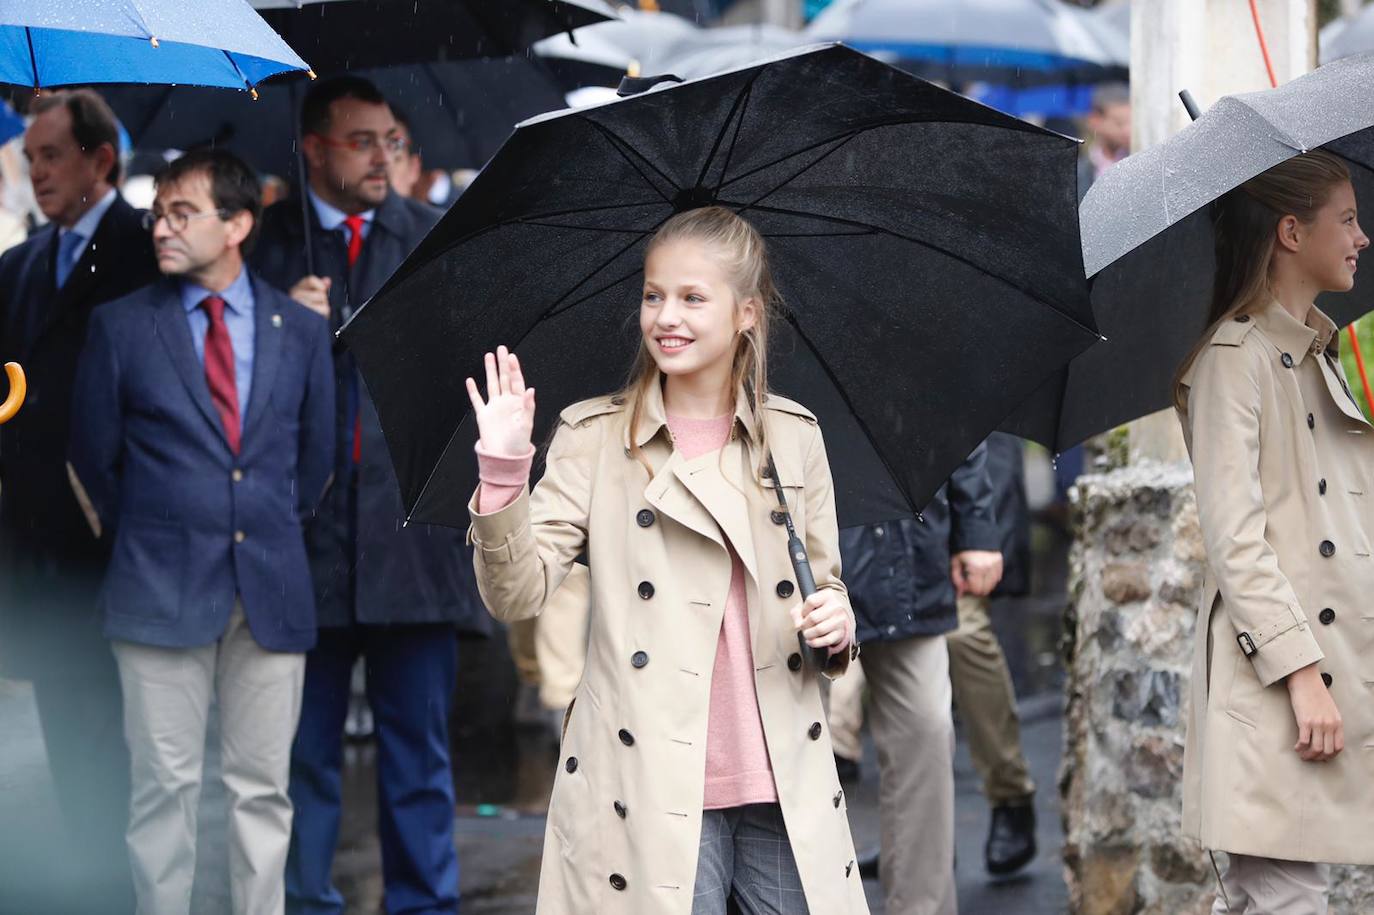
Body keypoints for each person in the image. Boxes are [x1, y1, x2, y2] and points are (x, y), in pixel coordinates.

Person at [465, 206, 868, 913]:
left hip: (783, 772)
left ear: (746, 312)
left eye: (691, 297)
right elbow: (518, 595)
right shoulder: (593, 436)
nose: (665, 317)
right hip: (649, 779)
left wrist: (837, 619)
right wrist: (503, 474)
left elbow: (824, 581)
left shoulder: (793, 435)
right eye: (653, 294)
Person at [67, 148, 335, 915]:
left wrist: (257, 527)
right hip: (156, 586)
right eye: (158, 212)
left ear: (238, 224)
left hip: (271, 590)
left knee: (262, 791)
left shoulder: (299, 328)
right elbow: (92, 458)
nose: (161, 228)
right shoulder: (122, 326)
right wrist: (163, 530)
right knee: (163, 791)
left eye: (182, 212)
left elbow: (316, 462)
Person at [251, 75, 490, 915]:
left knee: (416, 756)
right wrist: (282, 328)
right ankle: (304, 901)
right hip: (300, 547)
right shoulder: (264, 250)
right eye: (362, 141)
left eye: (391, 140)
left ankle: (424, 904)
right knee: (302, 756)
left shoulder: (434, 241)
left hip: (412, 547)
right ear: (312, 147)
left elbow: (476, 389)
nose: (384, 156)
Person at [1174, 149, 1373, 913]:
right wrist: (1301, 673)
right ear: (1292, 231)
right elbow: (1238, 542)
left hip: (1334, 680)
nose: (1362, 237)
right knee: (1287, 898)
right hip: (1283, 692)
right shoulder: (1235, 359)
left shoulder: (1314, 355)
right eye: (1348, 219)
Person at [0, 88, 157, 910]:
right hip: (42, 545)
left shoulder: (150, 251)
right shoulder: (18, 266)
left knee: (146, 747)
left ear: (101, 158)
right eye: (28, 160)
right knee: (71, 725)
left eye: (51, 156)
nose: (37, 174)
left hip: (130, 538)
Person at [835, 442, 1003, 915]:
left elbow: (956, 418)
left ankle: (922, 907)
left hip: (908, 555)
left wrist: (976, 530)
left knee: (927, 735)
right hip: (796, 560)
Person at [1077, 82, 1130, 200]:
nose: (1127, 131)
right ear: (1095, 120)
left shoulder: (1138, 161)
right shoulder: (1078, 171)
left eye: (1131, 122)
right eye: (1119, 123)